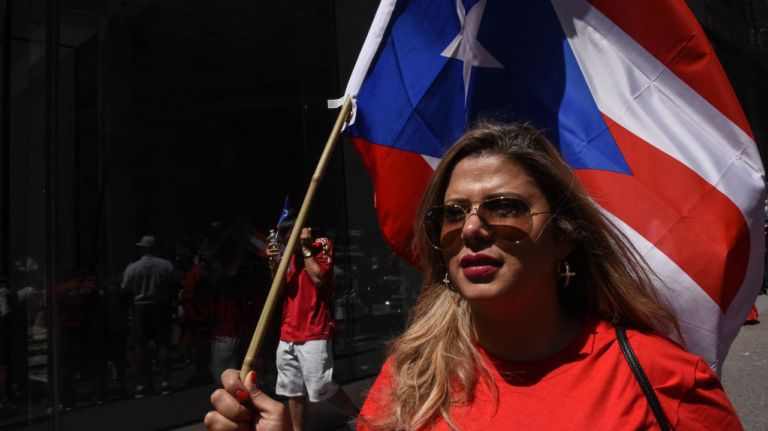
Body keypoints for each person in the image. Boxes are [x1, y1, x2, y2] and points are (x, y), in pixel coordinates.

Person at [203, 122, 742, 430]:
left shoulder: (665, 382)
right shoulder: (410, 378)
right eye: (452, 214)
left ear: (564, 237)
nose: (472, 229)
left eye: (504, 207)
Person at [121, 235, 176, 398]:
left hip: (140, 307)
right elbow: (173, 284)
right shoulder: (166, 265)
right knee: (163, 343)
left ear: (142, 249)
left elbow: (124, 289)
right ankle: (165, 381)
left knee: (140, 346)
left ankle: (140, 385)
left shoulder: (133, 268)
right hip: (160, 305)